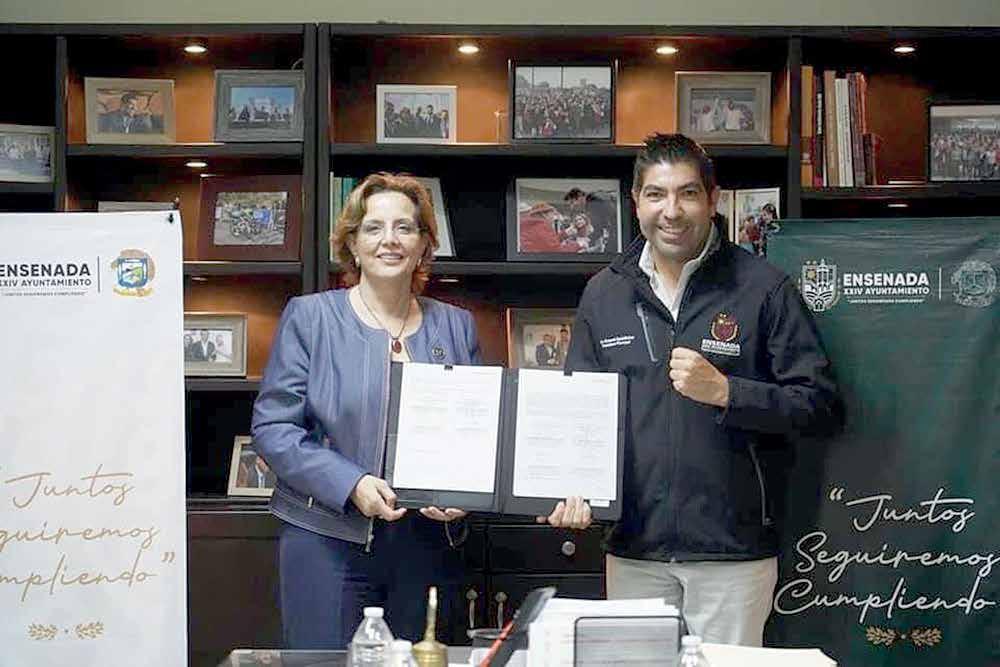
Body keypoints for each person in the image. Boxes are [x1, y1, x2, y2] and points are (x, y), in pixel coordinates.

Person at [542, 133, 843, 646]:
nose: (672, 211)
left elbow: (819, 405)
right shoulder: (604, 293)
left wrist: (728, 392)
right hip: (635, 549)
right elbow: (579, 413)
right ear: (635, 201)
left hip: (732, 554)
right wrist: (568, 487)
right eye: (656, 194)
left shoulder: (763, 288)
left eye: (687, 193)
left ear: (712, 199)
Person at [251, 172, 481, 649]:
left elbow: (480, 433)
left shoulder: (457, 327)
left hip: (425, 545)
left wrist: (466, 492)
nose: (389, 240)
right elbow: (274, 429)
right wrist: (351, 483)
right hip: (326, 540)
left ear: (423, 244)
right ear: (352, 245)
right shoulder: (310, 318)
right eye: (374, 228)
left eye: (405, 227)